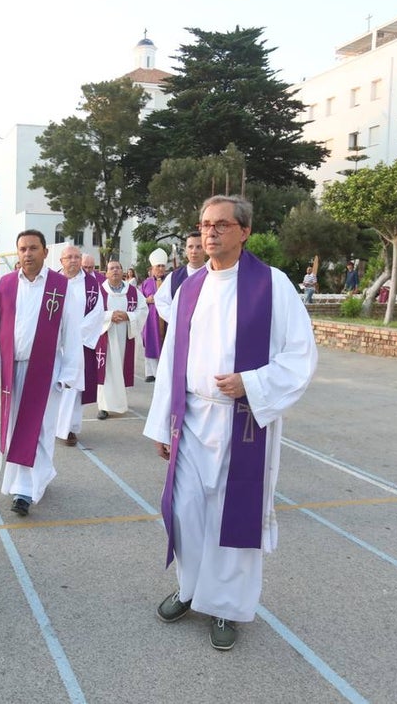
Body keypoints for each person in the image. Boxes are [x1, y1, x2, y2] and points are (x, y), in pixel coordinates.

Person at [145, 195, 317, 652]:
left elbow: (301, 355)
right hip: (192, 418)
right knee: (185, 512)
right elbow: (170, 362)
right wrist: (164, 423)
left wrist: (253, 383)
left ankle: (226, 607)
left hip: (242, 421)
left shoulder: (272, 285)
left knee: (232, 516)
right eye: (205, 225)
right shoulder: (190, 287)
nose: (211, 233)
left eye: (221, 225)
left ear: (244, 231)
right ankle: (189, 590)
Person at [0, 230, 80, 517]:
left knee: (41, 430)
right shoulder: (7, 284)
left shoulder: (60, 286)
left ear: (45, 252)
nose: (27, 254)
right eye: (22, 248)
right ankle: (26, 481)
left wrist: (69, 373)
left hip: (46, 371)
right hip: (14, 369)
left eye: (33, 248)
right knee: (15, 429)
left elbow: (71, 332)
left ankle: (26, 490)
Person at [53, 244, 104, 447]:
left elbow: (97, 313)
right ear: (61, 261)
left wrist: (74, 335)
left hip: (79, 344)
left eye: (77, 257)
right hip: (54, 345)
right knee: (54, 387)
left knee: (73, 387)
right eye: (69, 257)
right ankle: (52, 425)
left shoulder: (91, 284)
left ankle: (70, 429)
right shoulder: (52, 282)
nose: (74, 260)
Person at [96, 260, 146, 419]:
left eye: (118, 267)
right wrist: (110, 316)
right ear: (107, 273)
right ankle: (103, 406)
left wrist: (127, 316)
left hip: (126, 334)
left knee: (121, 369)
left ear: (123, 271)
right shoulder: (99, 291)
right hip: (106, 335)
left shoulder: (132, 291)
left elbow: (143, 310)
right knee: (107, 371)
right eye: (112, 268)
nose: (115, 270)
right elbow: (92, 313)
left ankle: (120, 403)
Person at [155, 232, 206, 323]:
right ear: (186, 250)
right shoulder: (174, 277)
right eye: (190, 247)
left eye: (199, 247)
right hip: (181, 330)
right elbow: (160, 301)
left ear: (205, 249)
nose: (194, 251)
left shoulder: (213, 275)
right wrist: (177, 320)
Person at [141, 249, 169, 381]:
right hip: (150, 319)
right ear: (152, 268)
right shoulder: (146, 283)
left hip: (166, 319)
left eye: (163, 266)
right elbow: (139, 300)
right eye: (158, 266)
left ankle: (162, 373)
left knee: (165, 344)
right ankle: (150, 373)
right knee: (150, 344)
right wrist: (147, 300)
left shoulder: (169, 281)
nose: (161, 268)